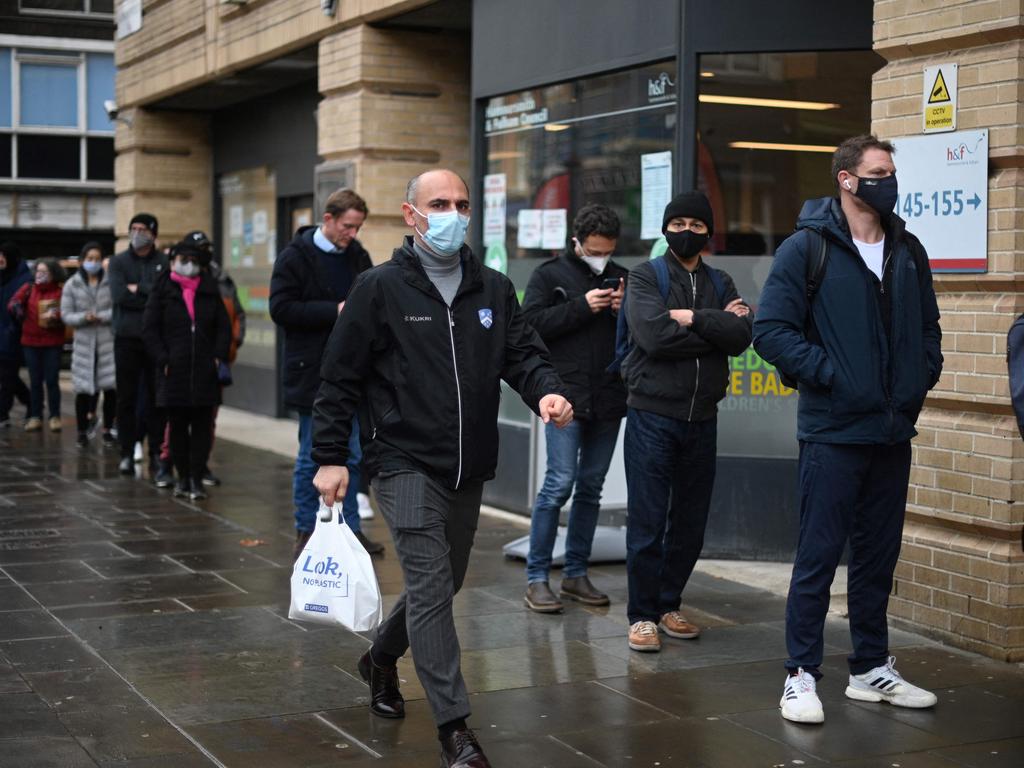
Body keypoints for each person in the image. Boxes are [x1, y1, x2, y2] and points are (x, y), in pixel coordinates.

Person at [312, 169, 572, 768]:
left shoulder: (494, 289)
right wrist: (329, 457)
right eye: (439, 203)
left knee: (446, 582)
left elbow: (524, 355)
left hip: (467, 463)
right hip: (401, 458)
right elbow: (339, 376)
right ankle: (455, 728)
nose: (453, 212)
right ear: (411, 215)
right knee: (430, 583)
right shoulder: (380, 289)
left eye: (460, 203)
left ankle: (379, 657)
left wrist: (547, 392)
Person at [753, 135, 942, 724]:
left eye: (892, 171)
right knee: (818, 556)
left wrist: (918, 379)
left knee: (878, 559)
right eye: (879, 172)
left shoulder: (907, 249)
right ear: (847, 179)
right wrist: (832, 376)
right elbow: (771, 331)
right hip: (833, 432)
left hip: (891, 432)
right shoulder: (806, 249)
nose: (890, 181)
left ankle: (869, 669)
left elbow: (929, 327)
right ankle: (801, 675)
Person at [621, 192, 752, 653]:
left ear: (708, 231)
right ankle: (641, 615)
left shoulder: (720, 279)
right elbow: (654, 337)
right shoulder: (644, 277)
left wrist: (693, 317)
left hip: (703, 417)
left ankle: (668, 602)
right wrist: (714, 330)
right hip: (652, 415)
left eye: (697, 224)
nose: (687, 231)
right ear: (665, 227)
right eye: (678, 222)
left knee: (690, 522)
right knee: (648, 520)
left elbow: (741, 337)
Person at [520, 204, 628, 613]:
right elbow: (530, 325)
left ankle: (576, 573)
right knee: (558, 483)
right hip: (564, 395)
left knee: (591, 487)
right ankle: (536, 577)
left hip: (608, 395)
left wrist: (624, 311)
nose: (600, 257)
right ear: (576, 243)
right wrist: (583, 306)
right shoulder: (549, 275)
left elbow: (641, 334)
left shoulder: (625, 277)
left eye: (607, 250)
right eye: (593, 250)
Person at [269, 188, 383, 558]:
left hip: (351, 371)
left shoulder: (357, 256)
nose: (352, 234)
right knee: (311, 456)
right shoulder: (295, 257)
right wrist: (334, 310)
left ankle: (349, 531)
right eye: (347, 226)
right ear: (328, 219)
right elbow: (282, 309)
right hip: (311, 372)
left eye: (358, 227)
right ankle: (306, 529)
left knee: (351, 455)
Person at [155, 230, 246, 487]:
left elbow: (233, 317)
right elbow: (153, 326)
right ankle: (168, 464)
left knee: (207, 420)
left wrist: (227, 349)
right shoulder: (167, 285)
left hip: (210, 366)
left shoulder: (218, 281)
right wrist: (164, 358)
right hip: (178, 366)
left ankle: (199, 467)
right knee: (177, 422)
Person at [143, 239, 230, 501]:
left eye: (193, 261)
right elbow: (150, 329)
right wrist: (163, 358)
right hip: (174, 372)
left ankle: (196, 478)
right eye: (183, 260)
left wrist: (218, 356)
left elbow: (223, 328)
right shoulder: (162, 290)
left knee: (203, 428)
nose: (188, 266)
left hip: (205, 372)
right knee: (178, 428)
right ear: (172, 262)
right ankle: (182, 478)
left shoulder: (209, 289)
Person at [108, 213, 169, 479]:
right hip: (127, 338)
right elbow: (120, 295)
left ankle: (156, 451)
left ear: (153, 233)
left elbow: (163, 297)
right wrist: (147, 293)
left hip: (155, 339)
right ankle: (126, 451)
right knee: (127, 397)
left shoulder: (164, 262)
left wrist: (139, 289)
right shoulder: (119, 262)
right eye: (132, 228)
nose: (136, 233)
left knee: (157, 397)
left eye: (141, 228)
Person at [61, 242, 117, 448]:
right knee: (83, 389)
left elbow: (117, 310)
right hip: (84, 344)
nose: (93, 262)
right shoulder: (72, 284)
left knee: (110, 388)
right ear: (83, 260)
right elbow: (66, 314)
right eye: (89, 258)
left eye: (96, 258)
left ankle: (108, 429)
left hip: (106, 342)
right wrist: (84, 317)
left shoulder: (111, 282)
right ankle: (82, 430)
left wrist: (101, 316)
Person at [8, 258, 66, 433]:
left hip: (52, 343)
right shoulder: (29, 288)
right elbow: (12, 303)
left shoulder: (60, 291)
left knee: (52, 381)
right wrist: (18, 310)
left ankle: (55, 416)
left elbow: (68, 311)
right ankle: (35, 416)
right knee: (35, 381)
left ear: (53, 274)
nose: (40, 275)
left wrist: (57, 315)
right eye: (38, 271)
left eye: (45, 272)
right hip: (31, 342)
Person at [0, 242, 31, 428]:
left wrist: (11, 330)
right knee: (8, 376)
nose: (0, 259)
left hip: (13, 336)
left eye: (3, 255)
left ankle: (2, 413)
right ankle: (31, 402)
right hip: (2, 335)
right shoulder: (2, 276)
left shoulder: (24, 280)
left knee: (7, 377)